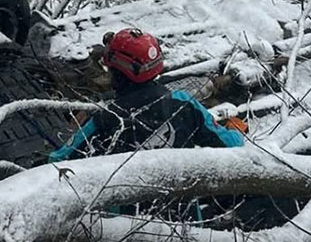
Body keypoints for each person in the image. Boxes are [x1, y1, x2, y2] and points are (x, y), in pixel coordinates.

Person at [48, 28, 244, 163]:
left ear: (118, 71)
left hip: (122, 222)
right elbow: (232, 144)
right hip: (188, 216)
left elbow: (58, 162)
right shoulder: (185, 104)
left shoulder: (104, 119)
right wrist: (233, 129)